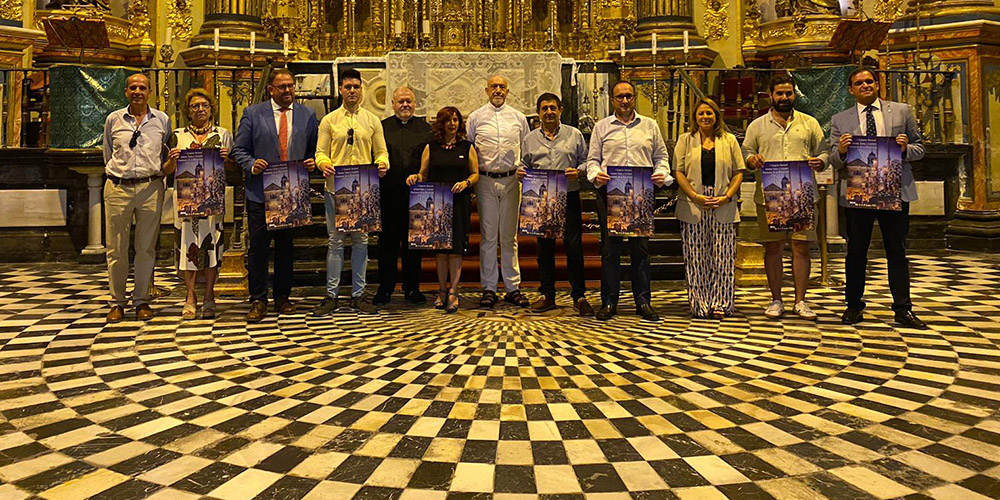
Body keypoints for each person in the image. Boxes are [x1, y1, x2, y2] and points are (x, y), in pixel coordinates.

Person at [830, 67, 925, 328]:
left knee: (897, 251)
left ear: (878, 84)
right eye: (859, 83)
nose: (865, 86)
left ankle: (903, 309)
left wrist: (906, 149)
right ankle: (853, 306)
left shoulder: (901, 111)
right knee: (856, 252)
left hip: (893, 191)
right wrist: (840, 150)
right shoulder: (840, 119)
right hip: (858, 193)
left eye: (869, 81)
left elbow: (920, 148)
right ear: (851, 89)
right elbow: (833, 160)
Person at [232, 68, 319, 323]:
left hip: (291, 191)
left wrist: (313, 160)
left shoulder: (307, 115)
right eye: (282, 87)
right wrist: (251, 164)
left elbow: (314, 148)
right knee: (258, 247)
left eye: (291, 86)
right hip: (261, 190)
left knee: (285, 248)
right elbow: (239, 149)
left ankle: (283, 296)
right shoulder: (253, 113)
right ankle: (258, 299)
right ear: (271, 89)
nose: (287, 90)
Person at [742, 74, 828, 321]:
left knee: (801, 246)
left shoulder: (809, 123)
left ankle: (800, 301)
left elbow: (823, 151)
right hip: (770, 197)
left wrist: (819, 161)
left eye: (788, 93)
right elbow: (746, 151)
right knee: (773, 247)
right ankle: (776, 299)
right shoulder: (757, 125)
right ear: (771, 96)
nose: (784, 97)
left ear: (794, 95)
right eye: (779, 93)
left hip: (802, 196)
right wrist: (752, 160)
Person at [586, 81, 672, 322]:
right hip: (610, 193)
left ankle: (643, 301)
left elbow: (661, 157)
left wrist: (661, 173)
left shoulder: (650, 125)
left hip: (640, 194)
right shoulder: (602, 127)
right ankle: (609, 302)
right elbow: (592, 159)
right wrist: (595, 174)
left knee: (640, 250)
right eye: (620, 97)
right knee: (610, 251)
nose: (624, 100)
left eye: (628, 96)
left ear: (634, 98)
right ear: (613, 100)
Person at [310, 69, 390, 316]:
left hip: (362, 192)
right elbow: (320, 152)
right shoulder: (330, 120)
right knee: (335, 242)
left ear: (361, 89)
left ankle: (358, 294)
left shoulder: (372, 120)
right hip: (336, 188)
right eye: (348, 87)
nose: (352, 91)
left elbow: (382, 151)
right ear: (341, 90)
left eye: (356, 86)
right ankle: (331, 295)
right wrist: (323, 163)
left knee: (361, 242)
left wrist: (383, 163)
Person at [102, 73, 171, 323]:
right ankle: (117, 302)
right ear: (126, 92)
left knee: (145, 248)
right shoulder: (114, 119)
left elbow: (167, 155)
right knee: (116, 249)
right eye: (133, 87)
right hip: (118, 188)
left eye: (142, 87)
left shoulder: (161, 120)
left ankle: (141, 300)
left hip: (150, 187)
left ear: (150, 92)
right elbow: (108, 152)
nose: (138, 91)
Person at [517, 92, 593, 315]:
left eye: (553, 108)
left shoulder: (575, 134)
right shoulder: (530, 138)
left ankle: (579, 296)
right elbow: (523, 162)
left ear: (560, 110)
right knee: (544, 249)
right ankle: (547, 295)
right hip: (541, 200)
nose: (549, 112)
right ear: (538, 112)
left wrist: (577, 171)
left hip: (568, 196)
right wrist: (520, 172)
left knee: (574, 248)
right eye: (544, 108)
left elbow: (587, 161)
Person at [162, 89, 233, 320]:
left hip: (212, 201)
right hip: (186, 202)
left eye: (204, 105)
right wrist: (172, 161)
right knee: (186, 247)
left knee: (211, 246)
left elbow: (232, 170)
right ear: (188, 111)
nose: (200, 109)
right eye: (195, 106)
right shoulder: (177, 135)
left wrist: (226, 159)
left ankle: (209, 296)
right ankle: (190, 296)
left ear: (211, 109)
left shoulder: (222, 135)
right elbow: (166, 171)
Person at [673, 98, 745, 318]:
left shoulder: (729, 140)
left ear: (716, 116)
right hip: (694, 202)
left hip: (723, 201)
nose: (705, 117)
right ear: (695, 117)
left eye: (709, 113)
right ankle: (700, 303)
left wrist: (727, 196)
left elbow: (739, 171)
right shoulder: (686, 140)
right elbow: (678, 171)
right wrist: (695, 196)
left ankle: (721, 303)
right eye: (701, 113)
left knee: (723, 256)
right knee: (696, 256)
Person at [406, 107, 479, 313]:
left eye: (455, 120)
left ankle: (454, 291)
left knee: (455, 248)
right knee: (440, 249)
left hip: (459, 201)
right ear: (441, 123)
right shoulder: (431, 146)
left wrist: (466, 183)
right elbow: (423, 173)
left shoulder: (467, 147)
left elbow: (475, 174)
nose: (452, 124)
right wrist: (415, 178)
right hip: (437, 203)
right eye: (448, 120)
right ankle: (441, 290)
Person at [467, 75, 531, 308]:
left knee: (509, 236)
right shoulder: (475, 117)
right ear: (486, 90)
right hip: (485, 181)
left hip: (512, 180)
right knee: (488, 236)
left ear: (507, 90)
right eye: (493, 86)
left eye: (502, 87)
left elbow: (526, 147)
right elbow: (471, 149)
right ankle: (489, 288)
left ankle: (513, 287)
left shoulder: (518, 117)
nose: (497, 90)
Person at [374, 86, 431, 306]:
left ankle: (412, 288)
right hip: (388, 195)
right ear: (393, 104)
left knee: (413, 246)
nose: (405, 105)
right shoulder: (382, 128)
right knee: (387, 245)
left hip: (416, 197)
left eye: (409, 101)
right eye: (401, 101)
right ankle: (385, 288)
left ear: (414, 103)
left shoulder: (425, 129)